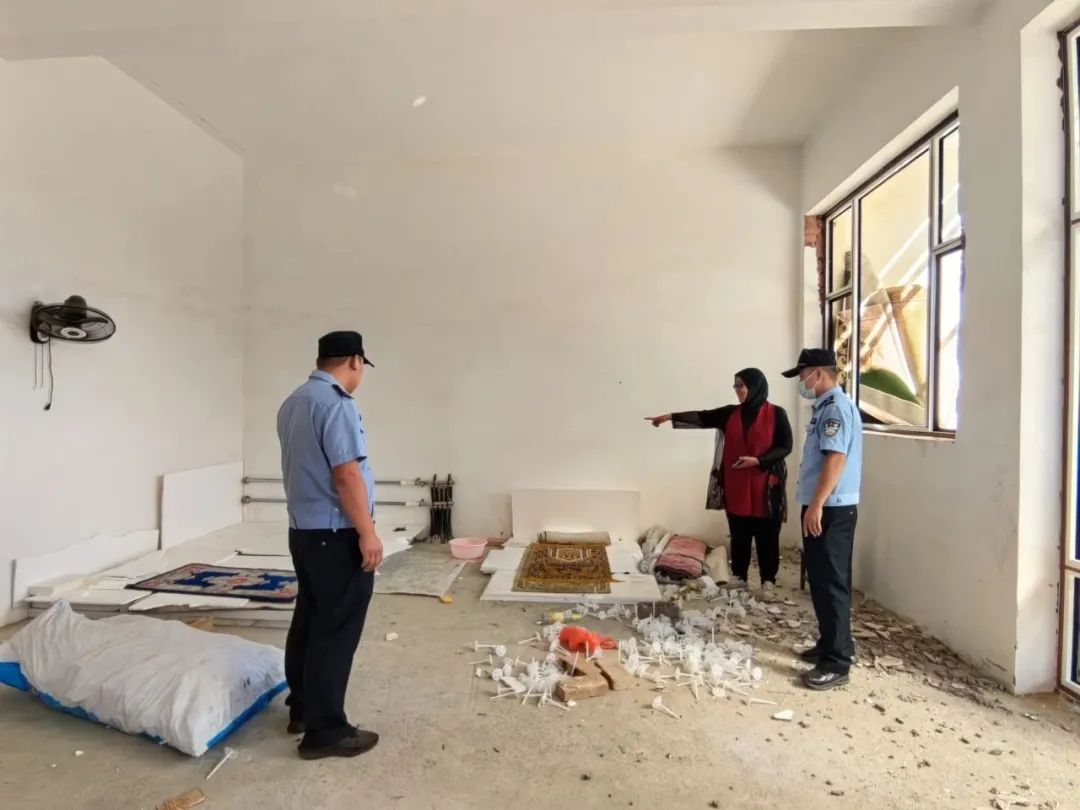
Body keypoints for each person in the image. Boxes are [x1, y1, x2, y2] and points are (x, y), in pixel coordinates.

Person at [277, 330, 384, 759]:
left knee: (309, 619)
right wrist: (367, 532)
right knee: (335, 629)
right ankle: (326, 732)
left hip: (303, 533)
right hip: (336, 534)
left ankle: (302, 710)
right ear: (355, 360)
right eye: (361, 367)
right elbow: (346, 474)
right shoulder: (336, 403)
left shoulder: (294, 402)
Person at [646, 368, 793, 597]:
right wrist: (670, 417)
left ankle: (768, 581)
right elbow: (702, 417)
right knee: (739, 534)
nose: (737, 390)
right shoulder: (730, 414)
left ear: (755, 386)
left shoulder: (776, 414)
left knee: (767, 536)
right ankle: (740, 577)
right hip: (737, 486)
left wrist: (759, 460)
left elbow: (785, 446)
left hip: (765, 487)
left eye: (741, 385)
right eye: (735, 385)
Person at [781, 348, 862, 691]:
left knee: (831, 585)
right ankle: (831, 643)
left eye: (803, 376)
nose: (801, 382)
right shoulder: (825, 407)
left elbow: (835, 459)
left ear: (818, 373)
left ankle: (837, 663)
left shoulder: (836, 409)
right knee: (822, 580)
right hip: (823, 506)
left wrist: (816, 505)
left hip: (830, 509)